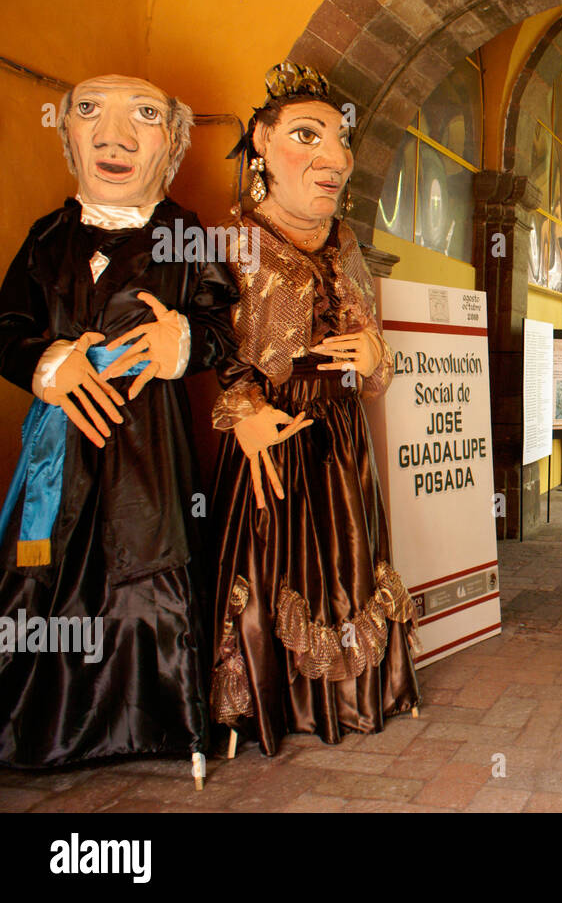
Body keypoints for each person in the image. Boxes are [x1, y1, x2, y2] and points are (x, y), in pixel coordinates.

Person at [0, 74, 240, 786]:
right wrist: (44, 363)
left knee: (150, 568)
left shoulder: (184, 234)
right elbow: (7, 326)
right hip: (60, 442)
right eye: (89, 113)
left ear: (171, 145)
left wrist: (185, 346)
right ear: (68, 134)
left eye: (142, 116)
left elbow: (222, 327)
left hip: (148, 445)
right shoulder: (47, 236)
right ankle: (37, 727)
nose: (113, 135)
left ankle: (162, 721)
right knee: (45, 571)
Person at [209, 62, 420, 758]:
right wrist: (242, 410)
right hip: (272, 437)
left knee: (349, 564)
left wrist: (373, 359)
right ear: (261, 145)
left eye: (340, 142)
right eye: (308, 136)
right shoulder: (232, 246)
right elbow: (214, 350)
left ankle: (354, 696)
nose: (334, 159)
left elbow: (378, 352)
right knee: (274, 569)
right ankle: (270, 701)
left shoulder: (346, 245)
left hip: (341, 436)